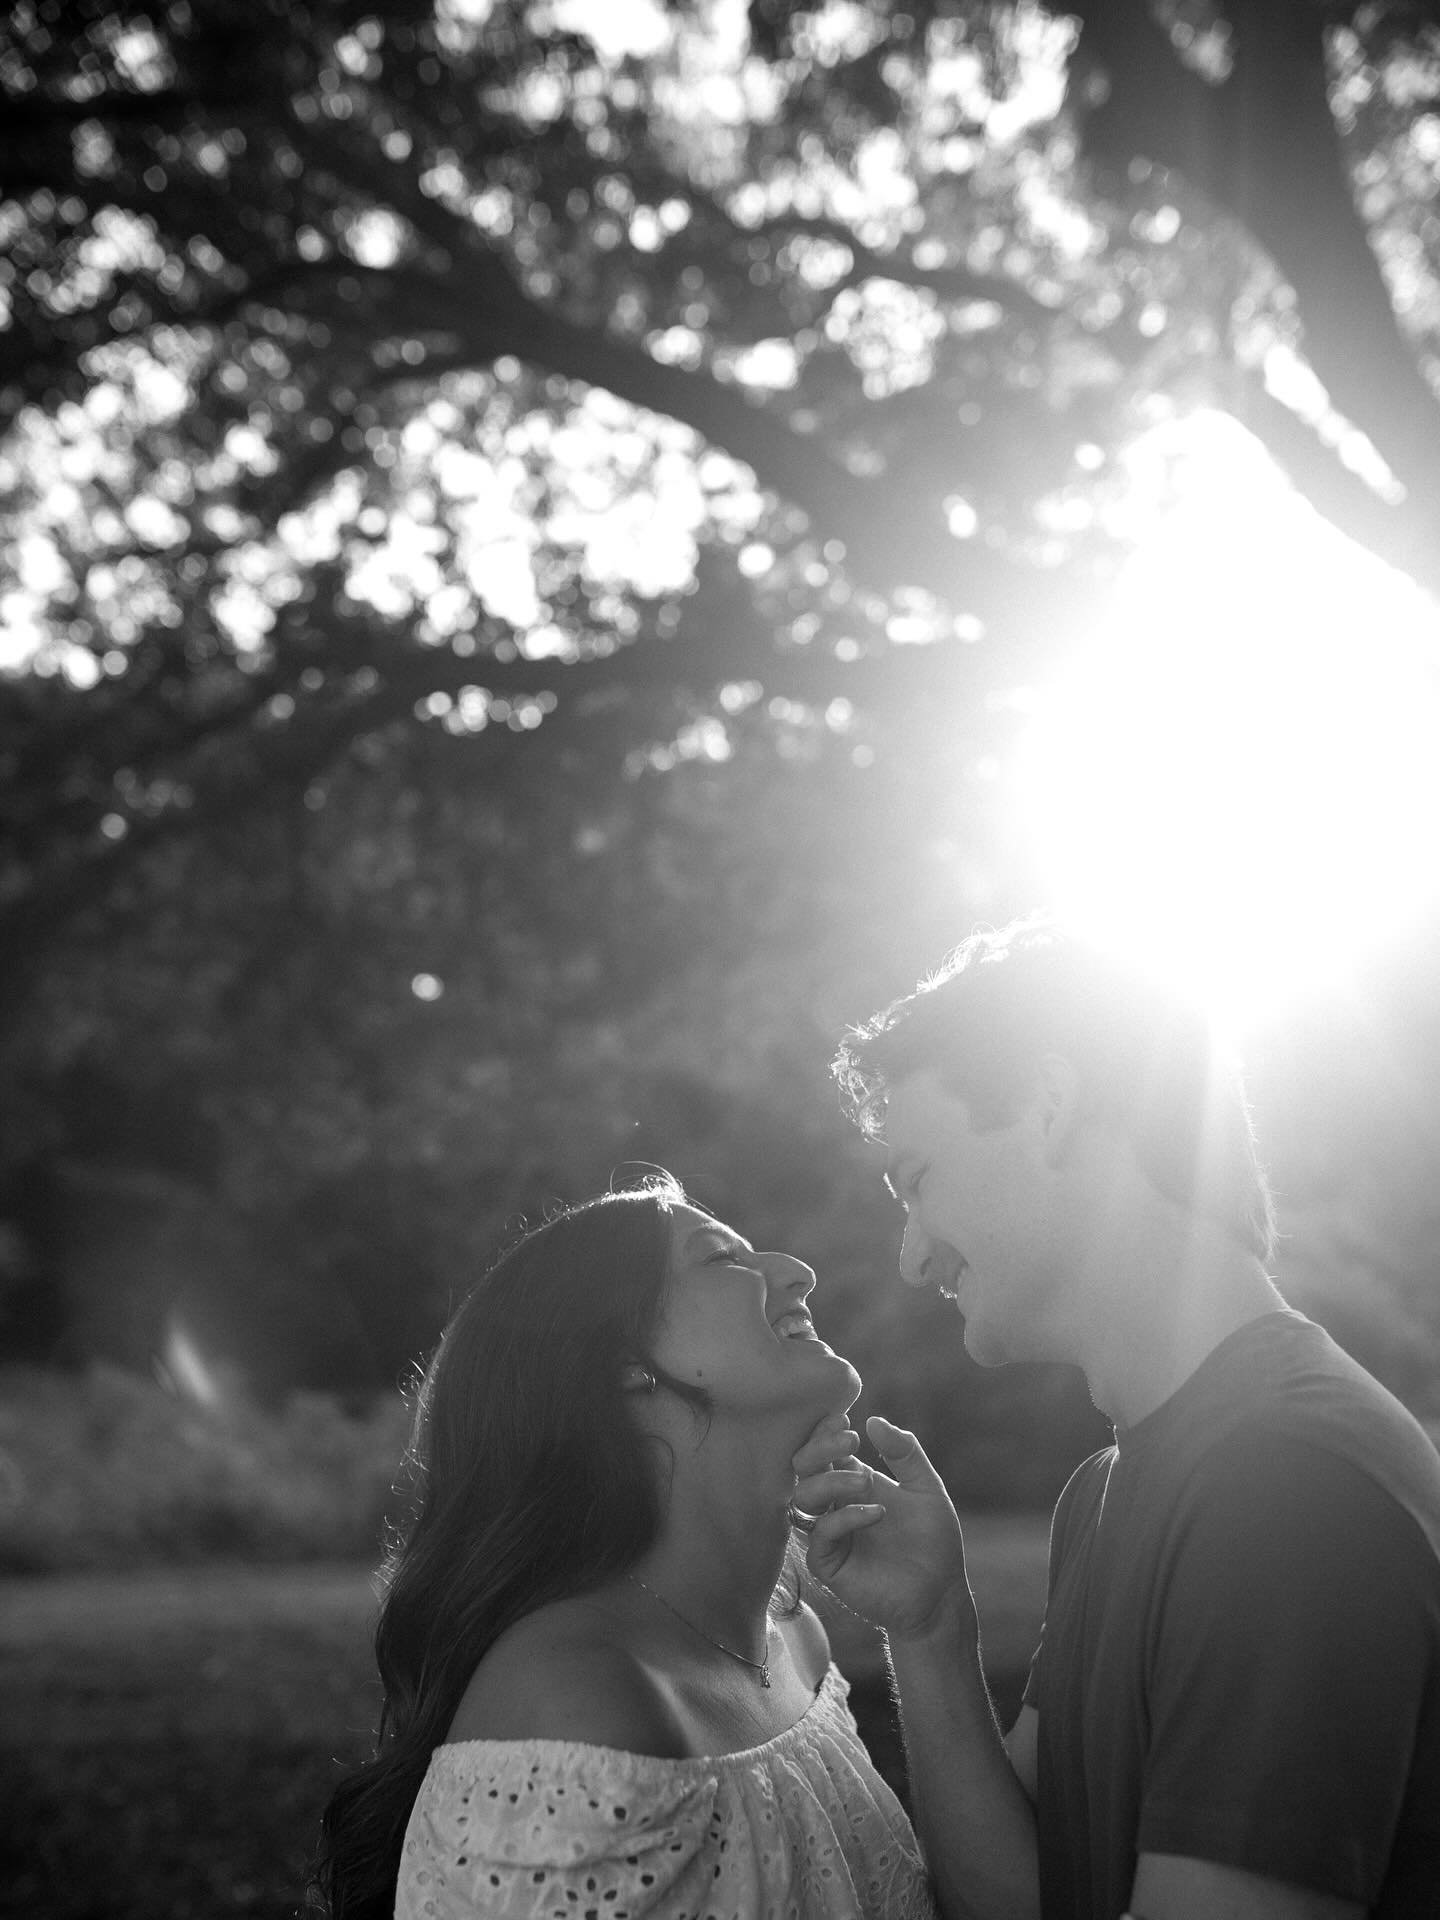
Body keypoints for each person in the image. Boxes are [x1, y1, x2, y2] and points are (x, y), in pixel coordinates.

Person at [793, 917, 1440, 1920]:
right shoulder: (1109, 1491)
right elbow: (1025, 1898)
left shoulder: (1284, 1484)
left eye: (917, 1182)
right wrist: (929, 1627)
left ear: (1049, 1105)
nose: (914, 1257)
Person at [311, 1173, 937, 1920]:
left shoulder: (795, 1644)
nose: (796, 1271)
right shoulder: (575, 1702)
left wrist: (931, 1625)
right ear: (621, 1365)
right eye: (720, 1259)